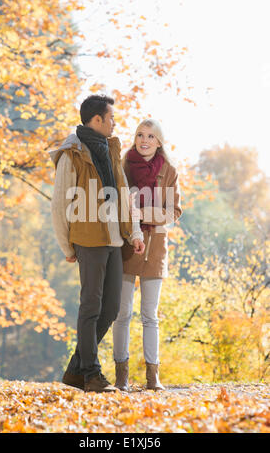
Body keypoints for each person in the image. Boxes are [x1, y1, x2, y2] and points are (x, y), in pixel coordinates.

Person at [49, 95, 145, 393]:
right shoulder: (72, 154)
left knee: (112, 306)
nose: (115, 122)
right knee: (90, 305)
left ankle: (76, 370)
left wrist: (134, 232)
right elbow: (60, 202)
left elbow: (124, 194)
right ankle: (91, 374)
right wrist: (67, 246)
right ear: (97, 119)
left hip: (114, 239)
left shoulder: (111, 149)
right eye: (111, 117)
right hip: (88, 239)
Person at [112, 119, 183, 391]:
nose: (144, 140)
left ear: (159, 141)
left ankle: (153, 377)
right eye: (140, 135)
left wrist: (144, 214)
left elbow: (173, 211)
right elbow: (115, 203)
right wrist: (132, 221)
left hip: (155, 246)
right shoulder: (123, 165)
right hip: (126, 244)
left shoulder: (169, 171)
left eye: (150, 136)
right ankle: (121, 377)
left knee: (149, 315)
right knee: (122, 313)